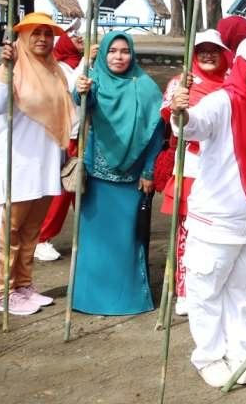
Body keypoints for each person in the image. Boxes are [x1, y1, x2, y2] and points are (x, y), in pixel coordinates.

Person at [170, 36, 246, 388]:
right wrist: (181, 112)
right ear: (239, 64)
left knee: (243, 291)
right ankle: (208, 355)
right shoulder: (220, 101)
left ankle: (239, 349)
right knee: (206, 290)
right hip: (216, 220)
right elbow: (194, 127)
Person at [0, 12, 74, 315]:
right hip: (17, 166)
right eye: (35, 33)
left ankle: (24, 285)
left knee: (31, 233)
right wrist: (5, 70)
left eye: (48, 34)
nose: (42, 39)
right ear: (22, 37)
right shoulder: (13, 69)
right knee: (9, 231)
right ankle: (3, 291)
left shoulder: (57, 71)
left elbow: (69, 107)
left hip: (46, 165)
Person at [71, 32, 164, 315]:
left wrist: (149, 171)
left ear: (132, 54)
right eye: (112, 51)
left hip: (132, 180)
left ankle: (128, 299)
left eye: (124, 51)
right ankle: (90, 299)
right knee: (94, 242)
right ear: (103, 54)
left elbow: (157, 134)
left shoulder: (146, 86)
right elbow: (80, 99)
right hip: (97, 177)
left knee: (127, 240)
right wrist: (81, 86)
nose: (118, 57)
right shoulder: (94, 80)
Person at [155, 29, 229, 315]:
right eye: (202, 51)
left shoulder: (231, 82)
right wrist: (178, 100)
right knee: (187, 232)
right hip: (192, 166)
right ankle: (184, 289)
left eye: (214, 49)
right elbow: (168, 116)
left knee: (218, 233)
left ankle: (214, 288)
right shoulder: (181, 82)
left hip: (224, 168)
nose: (208, 55)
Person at [34, 32, 85, 262]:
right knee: (63, 189)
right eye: (74, 36)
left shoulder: (80, 63)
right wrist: (87, 61)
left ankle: (85, 235)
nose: (81, 38)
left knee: (83, 190)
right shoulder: (58, 66)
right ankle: (42, 237)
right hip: (68, 134)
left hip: (86, 133)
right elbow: (72, 90)